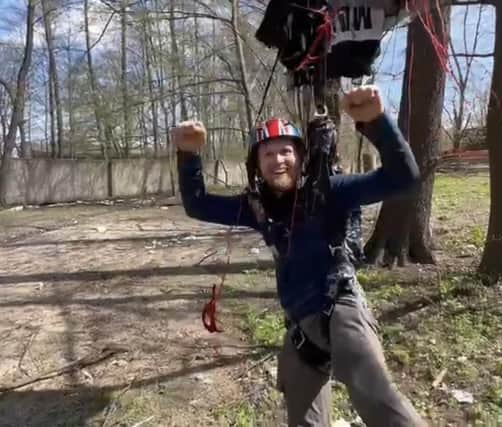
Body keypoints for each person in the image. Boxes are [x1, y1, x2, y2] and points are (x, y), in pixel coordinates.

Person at [172, 86, 426, 426]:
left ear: (301, 157)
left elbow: (403, 177)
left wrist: (376, 123)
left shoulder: (330, 192)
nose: (278, 160)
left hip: (341, 308)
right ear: (256, 165)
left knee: (379, 402)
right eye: (268, 154)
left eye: (286, 152)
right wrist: (189, 156)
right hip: (300, 329)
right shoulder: (257, 208)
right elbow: (198, 205)